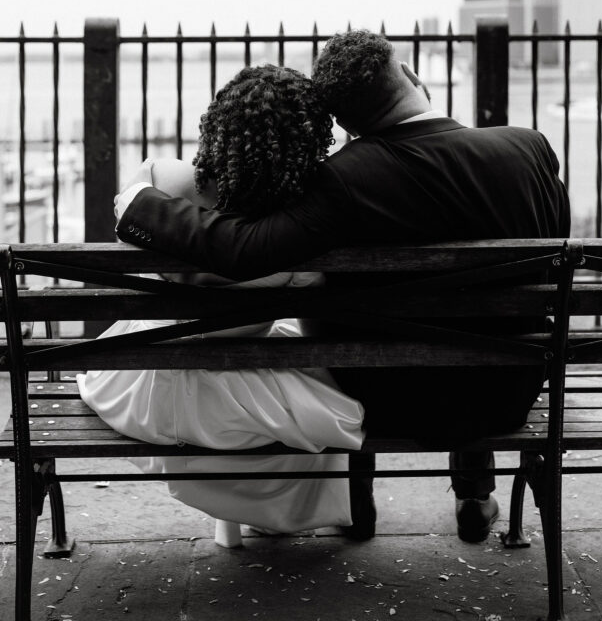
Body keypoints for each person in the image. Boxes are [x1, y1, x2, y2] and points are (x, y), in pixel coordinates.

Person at [115, 30, 570, 543]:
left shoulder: (344, 179)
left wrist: (137, 203)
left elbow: (244, 249)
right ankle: (474, 492)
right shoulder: (528, 149)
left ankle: (359, 505)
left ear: (346, 126)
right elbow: (550, 264)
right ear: (414, 78)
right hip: (512, 389)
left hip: (385, 399)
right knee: (476, 323)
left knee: (353, 322)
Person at [80, 65, 365, 538]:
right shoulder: (301, 222)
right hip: (242, 400)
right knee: (318, 397)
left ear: (217, 125)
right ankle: (266, 517)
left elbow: (128, 202)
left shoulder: (162, 182)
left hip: (148, 385)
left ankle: (236, 520)